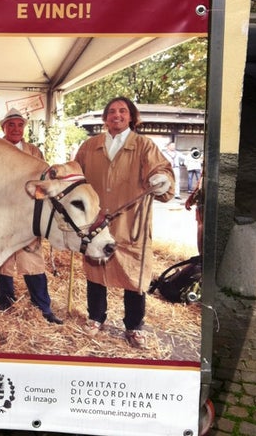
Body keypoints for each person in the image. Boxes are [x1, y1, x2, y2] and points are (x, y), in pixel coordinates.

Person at [74, 97, 174, 348]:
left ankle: (134, 326)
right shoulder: (90, 146)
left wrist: (161, 178)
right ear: (105, 118)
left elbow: (160, 170)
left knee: (134, 274)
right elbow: (75, 176)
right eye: (111, 111)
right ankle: (96, 318)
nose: (116, 115)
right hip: (97, 223)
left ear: (131, 117)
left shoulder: (144, 145)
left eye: (122, 111)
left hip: (131, 224)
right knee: (96, 271)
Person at [0, 108, 63, 325]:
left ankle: (42, 306)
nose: (16, 129)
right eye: (11, 124)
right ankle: (6, 301)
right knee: (3, 256)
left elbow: (42, 179)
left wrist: (43, 201)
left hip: (28, 211)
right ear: (3, 127)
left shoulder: (34, 151)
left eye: (20, 124)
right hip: (2, 209)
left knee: (32, 257)